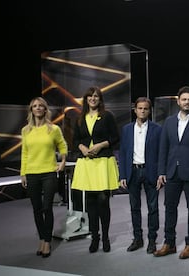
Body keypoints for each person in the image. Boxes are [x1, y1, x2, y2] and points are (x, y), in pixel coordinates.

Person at [154, 86, 189, 259]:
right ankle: (169, 243)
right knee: (169, 208)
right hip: (172, 173)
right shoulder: (169, 122)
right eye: (184, 99)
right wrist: (161, 171)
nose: (187, 102)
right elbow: (163, 148)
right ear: (178, 101)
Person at [70, 86, 120, 253]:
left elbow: (115, 137)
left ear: (100, 99)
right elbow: (75, 139)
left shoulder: (107, 116)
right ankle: (95, 237)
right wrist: (82, 147)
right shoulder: (79, 118)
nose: (93, 99)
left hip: (103, 162)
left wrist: (101, 145)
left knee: (103, 202)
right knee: (90, 203)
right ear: (86, 99)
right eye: (90, 96)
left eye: (96, 96)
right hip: (86, 163)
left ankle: (105, 238)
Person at [20, 97, 68, 258]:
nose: (38, 108)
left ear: (45, 109)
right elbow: (25, 153)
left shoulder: (53, 129)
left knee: (47, 207)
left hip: (49, 172)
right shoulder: (26, 130)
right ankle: (41, 238)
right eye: (35, 106)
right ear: (31, 110)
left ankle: (47, 241)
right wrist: (23, 173)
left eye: (41, 106)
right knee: (36, 209)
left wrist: (62, 161)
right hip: (32, 173)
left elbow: (62, 145)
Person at [119, 97, 162, 254]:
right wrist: (122, 174)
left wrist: (160, 174)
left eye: (145, 108)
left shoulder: (157, 129)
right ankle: (137, 239)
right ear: (135, 110)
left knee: (153, 208)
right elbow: (123, 153)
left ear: (149, 111)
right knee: (134, 207)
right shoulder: (126, 129)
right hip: (132, 171)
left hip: (150, 172)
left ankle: (152, 240)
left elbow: (161, 154)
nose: (142, 111)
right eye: (140, 108)